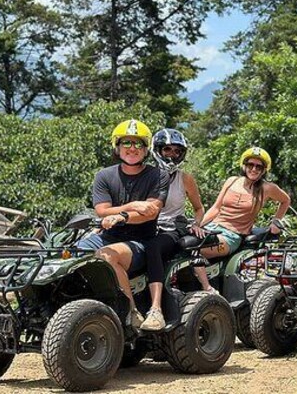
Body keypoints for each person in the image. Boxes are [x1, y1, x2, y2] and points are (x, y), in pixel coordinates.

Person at [77, 119, 169, 328]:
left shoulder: (158, 175)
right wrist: (135, 205)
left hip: (140, 241)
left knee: (107, 255)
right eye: (127, 143)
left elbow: (151, 212)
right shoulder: (104, 176)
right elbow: (102, 211)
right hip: (106, 236)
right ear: (117, 146)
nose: (132, 148)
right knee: (73, 254)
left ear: (147, 149)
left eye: (138, 144)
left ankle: (131, 311)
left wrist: (122, 216)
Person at [192, 146, 291, 293]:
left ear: (264, 170)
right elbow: (216, 208)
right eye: (250, 164)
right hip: (213, 227)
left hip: (231, 236)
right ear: (244, 166)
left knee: (195, 248)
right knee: (183, 240)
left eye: (259, 166)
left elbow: (286, 200)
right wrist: (197, 225)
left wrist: (276, 221)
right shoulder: (232, 181)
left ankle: (209, 290)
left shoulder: (267, 188)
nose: (254, 169)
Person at [139, 128, 205, 331]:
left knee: (152, 248)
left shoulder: (185, 179)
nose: (172, 155)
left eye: (177, 151)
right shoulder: (145, 175)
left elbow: (199, 208)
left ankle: (156, 309)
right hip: (143, 228)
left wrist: (196, 224)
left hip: (171, 230)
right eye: (167, 149)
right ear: (158, 150)